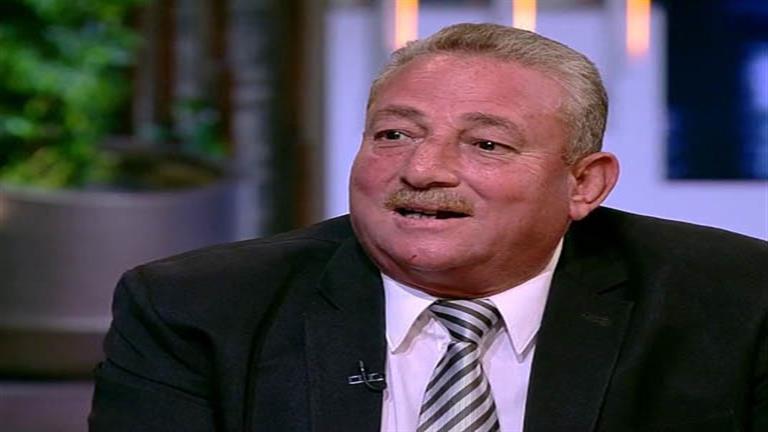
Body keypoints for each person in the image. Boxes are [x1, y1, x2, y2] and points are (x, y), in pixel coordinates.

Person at [89, 23, 767, 432]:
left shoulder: (737, 300)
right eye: (394, 134)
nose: (422, 170)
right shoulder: (196, 309)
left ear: (584, 184)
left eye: (486, 145)